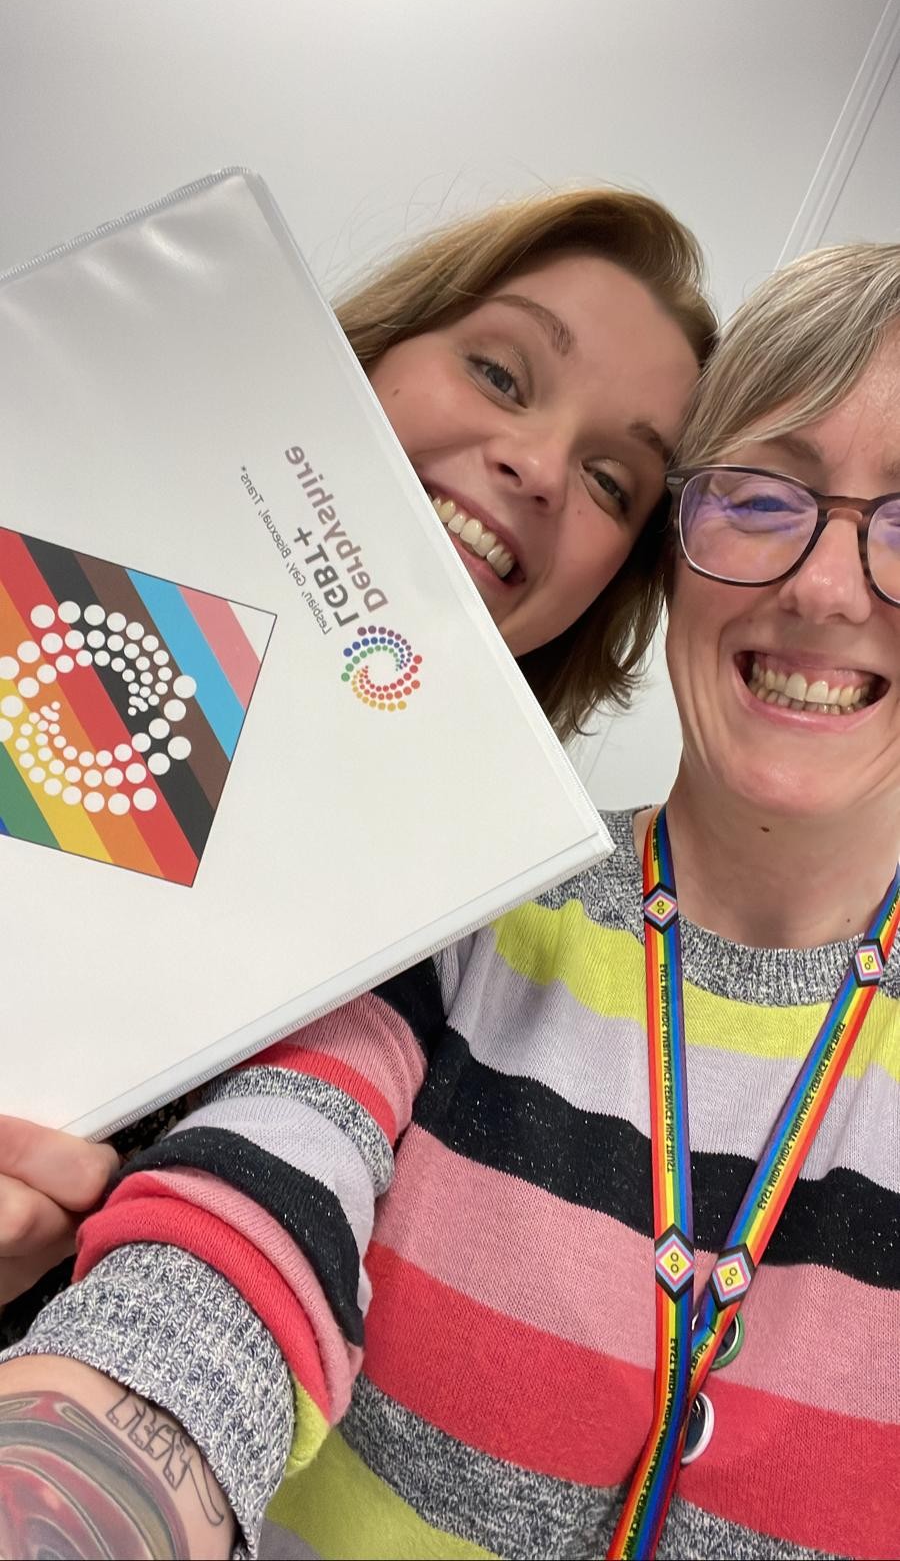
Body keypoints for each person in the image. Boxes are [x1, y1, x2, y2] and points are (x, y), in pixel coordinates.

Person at [1, 231, 898, 1557]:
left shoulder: (383, 840)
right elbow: (232, 1243)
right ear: (676, 561)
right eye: (761, 498)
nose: (826, 584)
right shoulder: (454, 916)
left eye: (609, 475)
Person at [0, 186, 712, 1332]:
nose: (536, 463)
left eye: (611, 481)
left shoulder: (455, 947)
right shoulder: (55, 528)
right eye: (501, 372)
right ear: (373, 351)